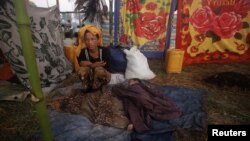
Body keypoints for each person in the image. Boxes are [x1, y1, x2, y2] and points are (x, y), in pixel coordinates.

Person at [76, 24, 111, 91]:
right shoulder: (83, 52)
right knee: (82, 70)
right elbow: (82, 64)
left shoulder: (105, 51)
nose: (90, 42)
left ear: (98, 40)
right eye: (87, 40)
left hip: (103, 78)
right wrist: (93, 65)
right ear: (84, 41)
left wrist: (90, 65)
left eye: (93, 39)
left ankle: (98, 87)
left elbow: (106, 67)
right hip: (90, 77)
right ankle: (86, 85)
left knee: (99, 70)